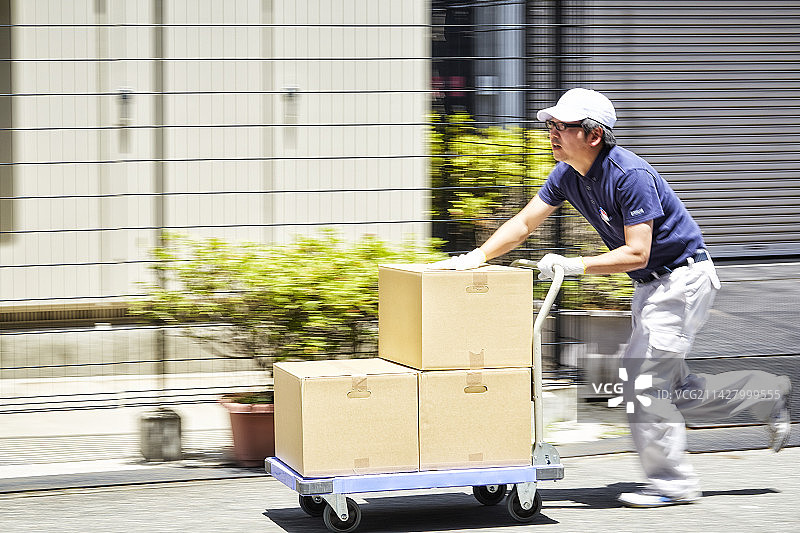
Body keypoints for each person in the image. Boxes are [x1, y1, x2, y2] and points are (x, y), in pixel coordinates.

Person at [431, 88, 792, 508]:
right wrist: (475, 257)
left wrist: (576, 265)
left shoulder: (629, 175)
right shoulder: (567, 173)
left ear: (593, 135)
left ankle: (673, 483)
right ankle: (761, 395)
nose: (551, 133)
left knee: (644, 385)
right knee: (669, 386)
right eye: (550, 125)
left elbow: (637, 250)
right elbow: (526, 222)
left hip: (682, 280)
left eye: (561, 127)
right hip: (652, 285)